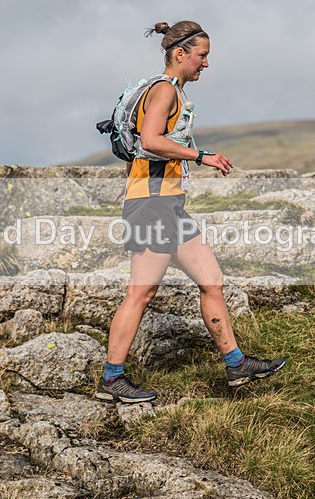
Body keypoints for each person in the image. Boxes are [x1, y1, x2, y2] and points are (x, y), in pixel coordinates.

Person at [95, 20, 285, 404]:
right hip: (152, 205)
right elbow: (150, 140)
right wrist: (202, 156)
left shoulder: (173, 92)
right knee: (141, 293)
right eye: (202, 56)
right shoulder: (164, 90)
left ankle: (236, 363)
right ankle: (111, 379)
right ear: (180, 54)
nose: (206, 64)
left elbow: (146, 148)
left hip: (167, 203)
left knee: (211, 280)